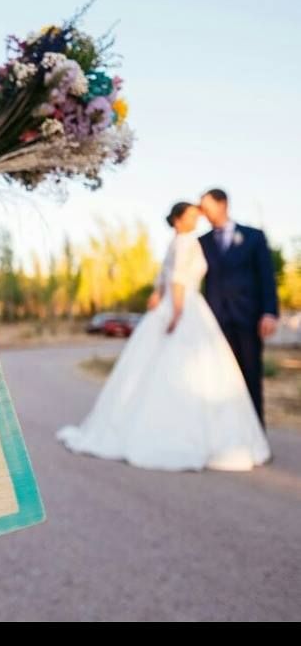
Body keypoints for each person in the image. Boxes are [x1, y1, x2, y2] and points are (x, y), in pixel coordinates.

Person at [56, 202, 270, 471]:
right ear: (179, 220)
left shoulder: (175, 241)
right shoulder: (186, 241)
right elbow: (178, 279)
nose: (197, 219)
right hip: (184, 306)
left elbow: (162, 279)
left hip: (180, 304)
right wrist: (178, 311)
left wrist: (160, 295)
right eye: (192, 215)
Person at [198, 188, 279, 427]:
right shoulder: (201, 242)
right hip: (215, 322)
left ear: (222, 204)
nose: (204, 213)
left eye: (206, 206)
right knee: (219, 380)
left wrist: (269, 311)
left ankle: (255, 437)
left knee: (250, 377)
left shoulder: (254, 237)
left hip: (248, 319)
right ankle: (225, 433)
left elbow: (266, 276)